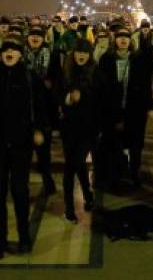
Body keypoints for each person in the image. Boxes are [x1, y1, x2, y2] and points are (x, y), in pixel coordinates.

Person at [0, 35, 48, 260]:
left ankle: (23, 237)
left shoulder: (29, 77)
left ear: (21, 54)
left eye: (14, 49)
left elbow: (41, 106)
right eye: (6, 50)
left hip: (22, 143)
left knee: (20, 191)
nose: (9, 53)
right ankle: (0, 239)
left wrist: (40, 130)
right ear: (0, 54)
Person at [96, 28, 153, 189]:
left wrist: (150, 106)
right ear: (114, 40)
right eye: (120, 36)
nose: (123, 40)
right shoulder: (106, 59)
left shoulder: (139, 58)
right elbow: (100, 86)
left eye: (126, 37)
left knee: (136, 144)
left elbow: (145, 85)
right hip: (113, 108)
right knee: (114, 143)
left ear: (131, 40)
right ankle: (115, 174)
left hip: (134, 109)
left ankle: (134, 173)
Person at [60, 38, 98, 223]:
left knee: (75, 164)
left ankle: (77, 201)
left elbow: (101, 97)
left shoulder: (96, 73)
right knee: (74, 164)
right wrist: (68, 99)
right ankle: (74, 203)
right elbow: (58, 96)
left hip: (88, 127)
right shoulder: (65, 72)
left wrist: (83, 96)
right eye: (78, 52)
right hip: (69, 126)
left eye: (84, 52)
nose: (81, 55)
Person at [24, 26, 56, 195]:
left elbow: (57, 76)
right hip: (25, 107)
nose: (35, 38)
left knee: (44, 147)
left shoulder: (52, 54)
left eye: (38, 35)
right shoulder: (19, 55)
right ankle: (22, 184)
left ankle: (47, 177)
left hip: (45, 107)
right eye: (32, 35)